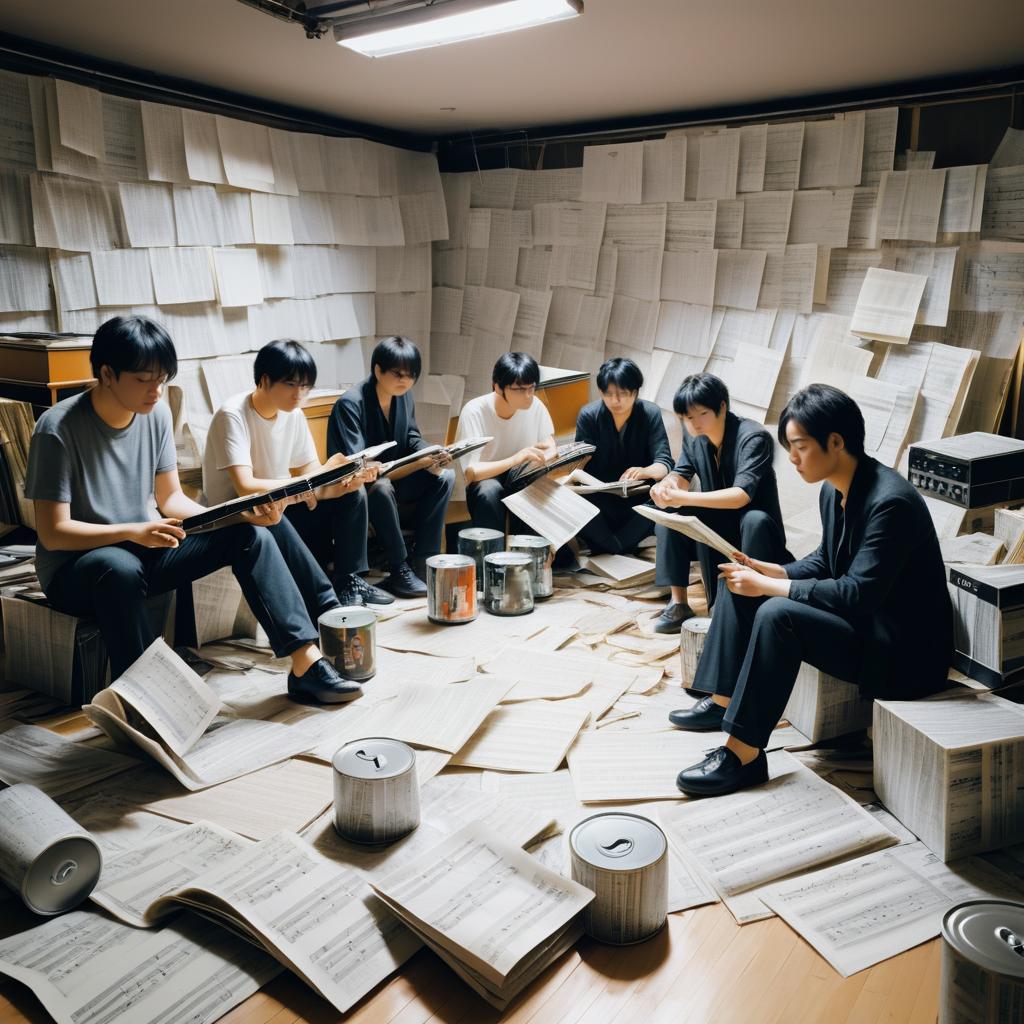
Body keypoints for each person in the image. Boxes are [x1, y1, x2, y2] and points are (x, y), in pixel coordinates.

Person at [24, 316, 360, 705]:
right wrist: (133, 530)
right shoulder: (57, 428)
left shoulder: (156, 415)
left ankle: (306, 663)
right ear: (107, 373)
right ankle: (142, 702)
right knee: (118, 567)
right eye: (143, 379)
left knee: (250, 535)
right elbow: (54, 532)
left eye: (162, 379)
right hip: (76, 570)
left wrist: (236, 514)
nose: (156, 391)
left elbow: (171, 501)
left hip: (142, 548)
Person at [669, 384, 953, 797]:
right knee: (737, 581)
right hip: (867, 626)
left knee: (777, 614)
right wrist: (769, 570)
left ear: (835, 442)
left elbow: (858, 594)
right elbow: (825, 560)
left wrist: (773, 585)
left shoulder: (891, 503)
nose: (793, 458)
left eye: (800, 446)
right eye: (789, 447)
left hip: (904, 656)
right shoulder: (834, 489)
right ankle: (723, 700)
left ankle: (743, 754)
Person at [202, 339, 392, 609]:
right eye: (291, 384)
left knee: (353, 494)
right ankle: (324, 604)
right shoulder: (233, 414)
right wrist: (307, 484)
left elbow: (311, 474)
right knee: (275, 513)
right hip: (239, 514)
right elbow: (245, 487)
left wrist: (341, 481)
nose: (299, 394)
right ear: (265, 380)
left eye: (305, 386)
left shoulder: (292, 414)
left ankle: (348, 580)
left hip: (279, 503)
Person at [648, 373, 788, 635]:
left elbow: (741, 496)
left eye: (702, 414)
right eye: (688, 418)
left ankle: (742, 608)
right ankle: (679, 604)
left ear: (722, 407)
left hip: (754, 528)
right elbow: (683, 472)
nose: (695, 423)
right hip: (716, 520)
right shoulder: (693, 437)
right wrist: (667, 486)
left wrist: (684, 497)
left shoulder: (753, 437)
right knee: (671, 516)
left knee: (753, 518)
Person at [328, 336, 454, 599]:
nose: (405, 381)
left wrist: (430, 453)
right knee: (381, 487)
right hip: (361, 485)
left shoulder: (403, 397)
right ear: (378, 370)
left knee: (445, 477)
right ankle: (399, 568)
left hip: (396, 475)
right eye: (398, 374)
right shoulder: (351, 404)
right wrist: (414, 463)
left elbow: (410, 436)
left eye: (411, 375)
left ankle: (423, 561)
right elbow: (355, 465)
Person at [573, 357, 673, 555]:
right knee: (573, 503)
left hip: (638, 499)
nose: (615, 401)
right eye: (608, 394)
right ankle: (619, 545)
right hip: (600, 500)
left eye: (622, 394)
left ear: (635, 392)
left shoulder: (650, 413)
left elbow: (664, 463)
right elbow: (579, 465)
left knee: (663, 497)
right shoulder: (589, 415)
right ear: (601, 392)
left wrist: (644, 471)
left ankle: (610, 546)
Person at [456, 352, 557, 534]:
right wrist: (515, 459)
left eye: (532, 388)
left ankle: (530, 556)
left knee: (536, 488)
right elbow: (471, 472)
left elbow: (550, 444)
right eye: (520, 389)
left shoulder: (536, 405)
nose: (528, 395)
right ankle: (492, 555)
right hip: (486, 480)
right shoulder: (474, 411)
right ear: (498, 387)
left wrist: (546, 457)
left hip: (521, 477)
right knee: (489, 491)